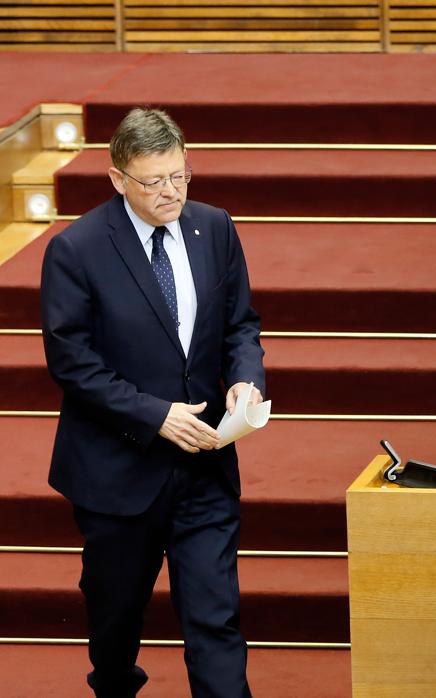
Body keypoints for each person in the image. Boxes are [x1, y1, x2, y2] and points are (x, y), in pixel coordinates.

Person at [41, 107, 265, 697]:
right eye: (154, 181)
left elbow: (240, 325)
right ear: (117, 179)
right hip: (119, 476)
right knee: (115, 625)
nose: (171, 193)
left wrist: (245, 380)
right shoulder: (77, 249)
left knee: (216, 622)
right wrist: (154, 414)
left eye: (180, 176)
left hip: (205, 467)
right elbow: (72, 362)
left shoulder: (214, 227)